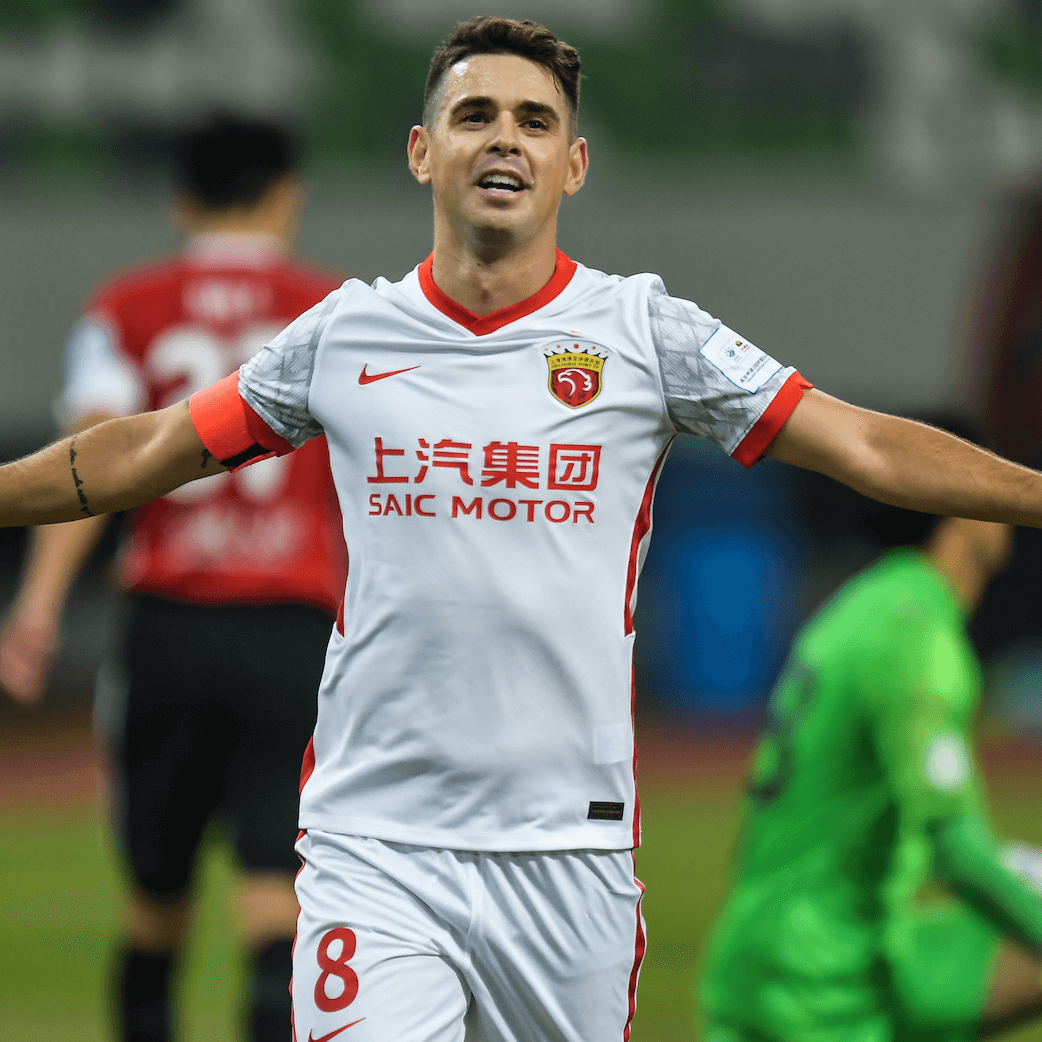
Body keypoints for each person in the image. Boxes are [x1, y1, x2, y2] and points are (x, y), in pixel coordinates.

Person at [7, 15, 1042, 1041]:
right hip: (376, 841)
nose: (505, 137)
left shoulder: (647, 335)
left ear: (572, 164)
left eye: (535, 121)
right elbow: (146, 450)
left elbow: (864, 445)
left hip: (568, 855)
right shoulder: (342, 336)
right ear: (423, 151)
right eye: (475, 116)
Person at [0, 114, 346, 1042]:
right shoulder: (334, 310)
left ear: (183, 199)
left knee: (155, 899)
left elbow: (93, 461)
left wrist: (36, 605)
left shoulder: (127, 308)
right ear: (288, 194)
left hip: (168, 625)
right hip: (293, 626)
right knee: (276, 894)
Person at [698, 421, 1042, 1042]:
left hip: (775, 946)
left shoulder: (867, 604)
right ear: (964, 504)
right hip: (817, 988)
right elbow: (955, 850)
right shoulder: (913, 635)